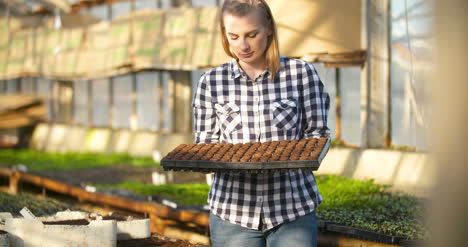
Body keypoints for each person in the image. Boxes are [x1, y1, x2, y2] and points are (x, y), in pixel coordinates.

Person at [192, 0, 330, 246]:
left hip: (292, 209)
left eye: (251, 35)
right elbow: (206, 144)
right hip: (232, 213)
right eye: (233, 36)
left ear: (268, 28)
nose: (242, 46)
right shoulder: (211, 82)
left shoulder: (301, 74)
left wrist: (291, 156)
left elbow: (317, 135)